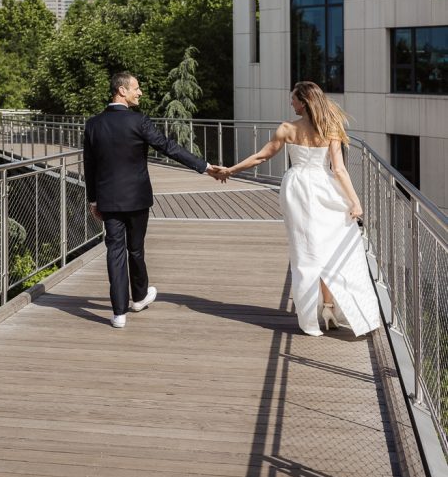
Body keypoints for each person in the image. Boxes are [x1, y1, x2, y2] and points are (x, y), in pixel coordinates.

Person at [218, 81, 380, 337]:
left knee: (306, 252)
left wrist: (231, 170)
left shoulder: (287, 128)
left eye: (293, 99)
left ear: (303, 102)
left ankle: (314, 316)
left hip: (297, 188)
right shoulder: (331, 127)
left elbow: (261, 156)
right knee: (332, 247)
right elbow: (339, 169)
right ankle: (330, 307)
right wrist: (355, 201)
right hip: (325, 187)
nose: (290, 102)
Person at [84, 71, 222, 327]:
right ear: (122, 90)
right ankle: (138, 298)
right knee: (135, 249)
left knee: (115, 251)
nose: (140, 92)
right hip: (137, 198)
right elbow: (168, 147)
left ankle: (119, 314)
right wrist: (204, 167)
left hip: (108, 199)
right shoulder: (139, 121)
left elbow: (89, 166)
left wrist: (93, 200)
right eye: (136, 88)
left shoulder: (93, 124)